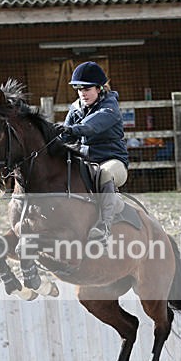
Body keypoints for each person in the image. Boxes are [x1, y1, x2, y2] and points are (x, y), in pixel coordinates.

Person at [56, 61, 129, 242]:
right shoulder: (75, 108)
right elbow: (65, 138)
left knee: (105, 173)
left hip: (112, 162)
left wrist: (71, 129)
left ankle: (104, 227)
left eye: (87, 89)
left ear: (99, 88)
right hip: (86, 162)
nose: (83, 93)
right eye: (79, 89)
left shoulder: (110, 107)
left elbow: (90, 126)